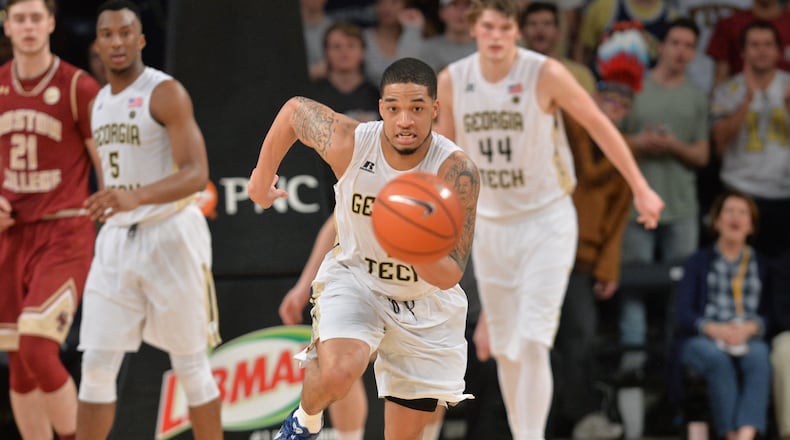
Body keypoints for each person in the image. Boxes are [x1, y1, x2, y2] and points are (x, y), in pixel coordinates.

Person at [434, 1, 664, 438]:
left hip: (547, 220)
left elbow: (598, 123)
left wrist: (640, 186)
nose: (497, 36)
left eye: (505, 27)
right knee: (504, 349)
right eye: (489, 27)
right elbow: (449, 159)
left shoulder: (544, 73)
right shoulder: (453, 80)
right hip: (492, 226)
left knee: (535, 339)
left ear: (516, 31)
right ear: (474, 30)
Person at [248, 57, 480, 440]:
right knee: (340, 372)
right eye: (394, 108)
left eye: (417, 108)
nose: (405, 120)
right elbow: (294, 112)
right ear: (381, 108)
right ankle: (303, 422)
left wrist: (412, 244)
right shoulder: (352, 142)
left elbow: (451, 273)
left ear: (435, 109)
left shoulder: (456, 171)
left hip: (424, 302)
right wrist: (260, 177)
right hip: (358, 280)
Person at [75, 1, 222, 439]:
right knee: (96, 364)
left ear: (140, 40)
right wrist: (110, 203)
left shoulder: (165, 92)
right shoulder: (99, 101)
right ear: (97, 43)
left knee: (191, 365)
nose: (117, 42)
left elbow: (197, 174)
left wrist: (133, 197)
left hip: (171, 234)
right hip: (117, 240)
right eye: (108, 34)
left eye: (125, 33)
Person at [0, 0, 101, 438]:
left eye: (35, 18)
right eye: (19, 18)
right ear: (6, 25)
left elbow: (108, 167)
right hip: (11, 235)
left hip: (66, 231)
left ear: (51, 23)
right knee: (18, 363)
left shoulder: (78, 86)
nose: (27, 27)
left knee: (39, 349)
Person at [617, 17, 709, 377]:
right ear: (663, 46)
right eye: (675, 43)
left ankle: (679, 358)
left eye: (689, 46)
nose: (681, 51)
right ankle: (632, 361)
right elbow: (610, 139)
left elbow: (702, 156)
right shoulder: (634, 89)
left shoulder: (696, 97)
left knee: (682, 289)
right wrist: (639, 142)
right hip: (635, 203)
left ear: (694, 53)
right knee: (633, 285)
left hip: (682, 207)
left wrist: (674, 147)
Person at [674, 190, 771, 440]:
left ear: (751, 225)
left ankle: (746, 434)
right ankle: (729, 433)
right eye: (729, 211)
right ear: (716, 221)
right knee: (716, 359)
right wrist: (714, 329)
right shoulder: (698, 261)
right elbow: (683, 313)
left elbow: (771, 314)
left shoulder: (760, 263)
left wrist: (750, 328)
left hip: (746, 335)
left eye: (742, 213)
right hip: (705, 336)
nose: (735, 218)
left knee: (760, 356)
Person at [711, 20, 790, 259]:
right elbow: (719, 144)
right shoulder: (727, 91)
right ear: (743, 52)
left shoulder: (789, 86)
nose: (762, 50)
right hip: (740, 192)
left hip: (784, 194)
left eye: (768, 44)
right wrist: (746, 102)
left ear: (778, 50)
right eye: (754, 45)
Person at [706, 0, 790, 87]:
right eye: (754, 44)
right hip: (738, 95)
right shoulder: (729, 24)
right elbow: (720, 78)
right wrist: (723, 97)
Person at [419, 0, 476, 74]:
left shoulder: (486, 49)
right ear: (442, 12)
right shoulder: (426, 50)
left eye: (467, 6)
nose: (461, 11)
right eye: (454, 5)